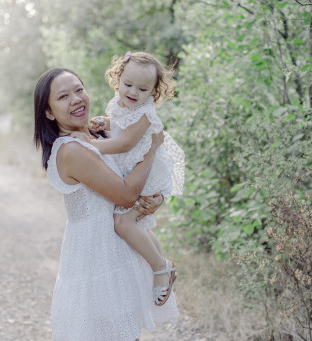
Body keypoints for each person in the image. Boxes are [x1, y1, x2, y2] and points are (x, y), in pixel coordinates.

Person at [34, 67, 179, 340]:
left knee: (127, 334)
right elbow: (125, 195)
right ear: (50, 112)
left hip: (119, 251)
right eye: (64, 96)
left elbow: (132, 176)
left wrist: (155, 198)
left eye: (79, 89)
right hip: (95, 257)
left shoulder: (96, 137)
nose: (76, 99)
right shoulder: (71, 149)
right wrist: (151, 148)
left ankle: (163, 267)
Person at [71, 51, 185, 306]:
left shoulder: (145, 114)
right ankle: (163, 264)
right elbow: (122, 127)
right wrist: (106, 123)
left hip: (147, 172)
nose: (133, 92)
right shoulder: (122, 103)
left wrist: (90, 144)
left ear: (154, 93)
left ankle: (161, 268)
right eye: (128, 84)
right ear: (118, 78)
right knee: (138, 223)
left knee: (123, 223)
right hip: (135, 166)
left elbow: (124, 143)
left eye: (142, 89)